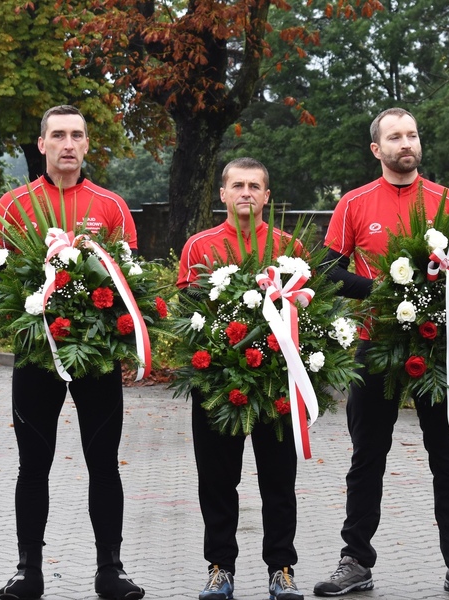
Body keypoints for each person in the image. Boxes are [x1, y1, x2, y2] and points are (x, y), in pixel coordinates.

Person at [312, 107, 449, 600]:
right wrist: (379, 292)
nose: (406, 143)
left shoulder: (448, 201)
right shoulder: (353, 203)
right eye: (394, 137)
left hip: (438, 347)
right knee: (367, 457)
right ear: (377, 149)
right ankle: (355, 562)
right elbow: (327, 269)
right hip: (377, 343)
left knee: (448, 457)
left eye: (412, 134)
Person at [0, 105, 145, 600]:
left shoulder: (111, 206)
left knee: (104, 463)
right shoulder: (14, 205)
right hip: (37, 356)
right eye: (58, 135)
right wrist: (28, 305)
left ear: (87, 144)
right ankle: (28, 570)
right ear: (42, 144)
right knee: (33, 465)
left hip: (95, 358)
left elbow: (131, 283)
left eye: (76, 135)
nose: (67, 144)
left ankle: (111, 570)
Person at [176, 157, 304, 600]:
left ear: (267, 196)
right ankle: (220, 568)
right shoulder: (199, 246)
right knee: (216, 481)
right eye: (237, 185)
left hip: (274, 386)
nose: (246, 192)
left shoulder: (290, 247)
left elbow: (309, 312)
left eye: (254, 186)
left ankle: (281, 569)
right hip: (218, 386)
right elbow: (187, 315)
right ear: (223, 194)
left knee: (278, 481)